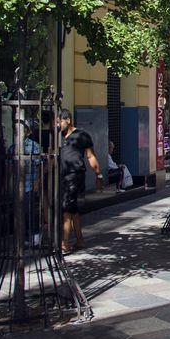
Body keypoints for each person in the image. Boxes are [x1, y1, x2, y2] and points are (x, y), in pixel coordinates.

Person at [58, 109, 102, 254]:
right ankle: (80, 240)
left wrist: (98, 175)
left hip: (75, 176)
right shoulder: (60, 136)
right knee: (73, 209)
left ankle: (64, 244)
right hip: (63, 176)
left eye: (60, 122)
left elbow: (90, 156)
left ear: (68, 120)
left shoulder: (82, 136)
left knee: (66, 208)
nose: (58, 125)